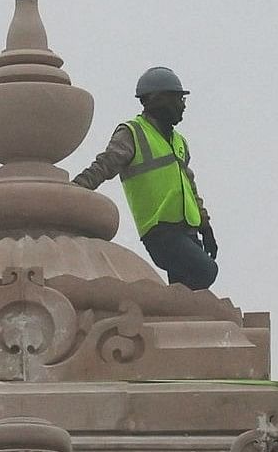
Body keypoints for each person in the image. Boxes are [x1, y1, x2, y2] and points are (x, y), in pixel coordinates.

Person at [75, 65, 217, 290]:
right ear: (159, 100)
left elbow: (190, 187)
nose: (183, 105)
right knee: (206, 271)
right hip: (160, 230)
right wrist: (75, 190)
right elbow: (104, 166)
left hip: (187, 229)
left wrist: (205, 226)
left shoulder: (179, 141)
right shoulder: (133, 133)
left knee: (189, 294)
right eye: (178, 99)